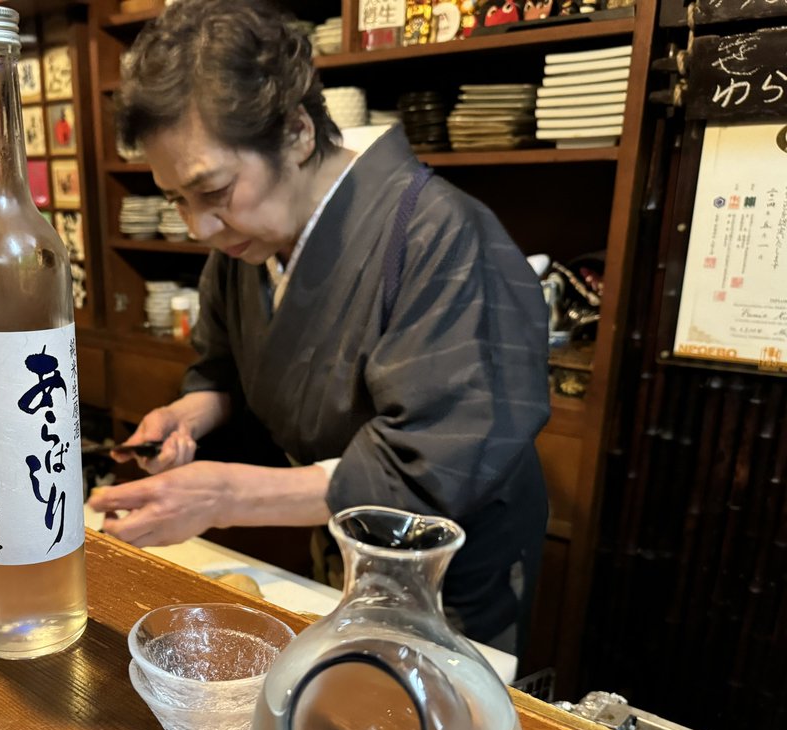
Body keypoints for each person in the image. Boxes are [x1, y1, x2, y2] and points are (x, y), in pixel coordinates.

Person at [88, 0, 550, 654]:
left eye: (214, 190)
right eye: (176, 201)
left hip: (451, 569)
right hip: (339, 544)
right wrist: (192, 415)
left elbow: (430, 467)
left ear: (297, 133)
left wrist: (220, 494)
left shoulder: (441, 235)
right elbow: (229, 367)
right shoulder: (247, 243)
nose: (200, 228)